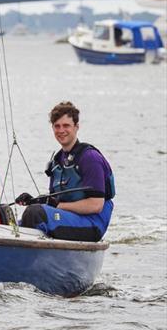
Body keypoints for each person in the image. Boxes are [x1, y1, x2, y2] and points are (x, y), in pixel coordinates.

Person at [16, 101, 114, 242]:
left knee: (35, 213)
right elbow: (56, 202)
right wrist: (35, 200)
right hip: (68, 218)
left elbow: (96, 205)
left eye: (66, 125)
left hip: (92, 224)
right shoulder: (57, 161)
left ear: (76, 127)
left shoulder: (90, 158)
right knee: (8, 220)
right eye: (57, 126)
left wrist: (55, 206)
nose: (61, 130)